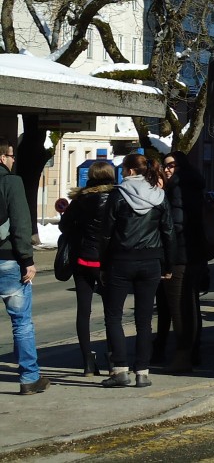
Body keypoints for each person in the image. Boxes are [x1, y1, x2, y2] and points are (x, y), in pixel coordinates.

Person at [98, 153, 176, 388]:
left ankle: (120, 370)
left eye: (123, 168)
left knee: (114, 316)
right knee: (144, 321)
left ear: (131, 171)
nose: (121, 172)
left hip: (120, 261)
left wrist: (103, 263)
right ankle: (143, 372)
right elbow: (169, 233)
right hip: (151, 262)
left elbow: (106, 232)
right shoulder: (159, 196)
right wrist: (168, 265)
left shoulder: (118, 195)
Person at [58, 158, 118, 376]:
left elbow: (64, 226)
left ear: (91, 178)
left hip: (82, 259)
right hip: (106, 262)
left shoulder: (79, 200)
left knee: (83, 311)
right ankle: (114, 359)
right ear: (111, 177)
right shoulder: (115, 198)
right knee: (112, 312)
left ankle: (87, 363)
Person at [0, 137, 50, 395]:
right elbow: (20, 223)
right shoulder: (10, 182)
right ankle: (29, 378)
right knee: (21, 323)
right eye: (11, 156)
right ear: (2, 158)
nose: (12, 160)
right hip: (7, 260)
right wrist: (27, 260)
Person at [151, 151, 207, 371]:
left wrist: (168, 257)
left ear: (181, 166)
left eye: (171, 165)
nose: (167, 169)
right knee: (190, 306)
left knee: (179, 308)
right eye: (165, 166)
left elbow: (176, 225)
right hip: (195, 254)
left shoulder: (177, 188)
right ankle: (192, 353)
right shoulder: (194, 186)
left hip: (180, 257)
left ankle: (182, 356)